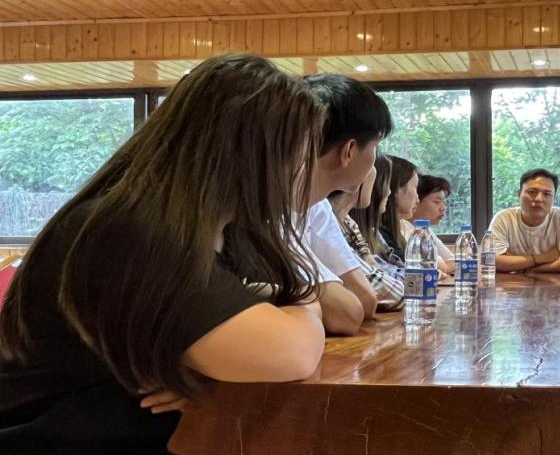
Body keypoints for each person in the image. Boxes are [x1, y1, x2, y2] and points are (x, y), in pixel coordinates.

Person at [0, 55, 327, 454]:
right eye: (303, 155)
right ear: (255, 156)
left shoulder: (215, 230)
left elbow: (253, 336)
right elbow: (291, 353)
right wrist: (306, 303)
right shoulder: (134, 231)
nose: (305, 172)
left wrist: (210, 370)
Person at [299, 73, 395, 333]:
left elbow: (365, 299)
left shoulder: (318, 207)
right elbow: (347, 313)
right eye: (374, 148)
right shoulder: (274, 208)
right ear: (349, 151)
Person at [327, 168, 404, 313]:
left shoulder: (349, 223)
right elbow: (395, 294)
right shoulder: (326, 220)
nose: (389, 192)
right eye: (386, 184)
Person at [489, 169, 560, 273]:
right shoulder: (503, 218)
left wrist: (523, 268)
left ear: (554, 198)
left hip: (552, 283)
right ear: (519, 194)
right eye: (532, 192)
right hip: (511, 283)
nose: (539, 199)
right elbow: (493, 261)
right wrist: (542, 258)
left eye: (546, 194)